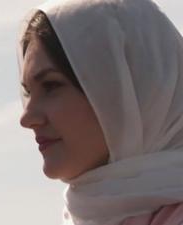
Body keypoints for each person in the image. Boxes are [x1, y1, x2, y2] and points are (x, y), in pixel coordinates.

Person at [17, 0, 183, 224]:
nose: (27, 118)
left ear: (126, 90)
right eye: (28, 92)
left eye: (51, 86)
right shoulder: (85, 215)